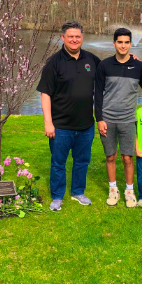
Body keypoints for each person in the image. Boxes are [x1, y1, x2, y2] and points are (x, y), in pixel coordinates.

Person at [37, 20, 100, 211]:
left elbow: (111, 70)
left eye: (78, 36)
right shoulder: (53, 63)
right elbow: (45, 93)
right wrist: (48, 122)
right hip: (61, 126)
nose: (74, 40)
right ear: (63, 38)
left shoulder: (92, 60)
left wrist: (130, 58)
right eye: (70, 36)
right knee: (58, 163)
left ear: (82, 38)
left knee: (82, 161)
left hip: (86, 126)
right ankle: (57, 196)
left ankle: (78, 192)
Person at [95, 28, 142, 208]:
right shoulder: (104, 65)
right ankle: (113, 190)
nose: (123, 45)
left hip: (128, 120)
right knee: (110, 157)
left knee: (128, 158)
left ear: (130, 44)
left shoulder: (139, 66)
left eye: (126, 42)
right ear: (114, 43)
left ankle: (129, 191)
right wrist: (99, 119)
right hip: (108, 119)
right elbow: (98, 94)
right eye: (119, 42)